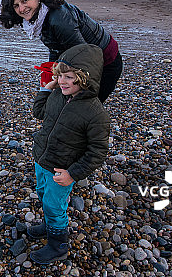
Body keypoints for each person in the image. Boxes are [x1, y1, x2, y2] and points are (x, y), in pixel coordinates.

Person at [27, 43, 110, 264]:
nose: (62, 81)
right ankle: (48, 225)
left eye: (69, 77)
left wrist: (72, 174)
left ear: (84, 78)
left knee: (55, 205)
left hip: (62, 168)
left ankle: (58, 244)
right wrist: (46, 89)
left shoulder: (95, 113)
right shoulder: (57, 95)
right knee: (43, 194)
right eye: (60, 75)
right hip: (42, 158)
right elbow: (38, 113)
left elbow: (98, 151)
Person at [0, 0, 123, 102]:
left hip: (106, 62)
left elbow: (85, 56)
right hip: (86, 58)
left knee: (87, 105)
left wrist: (83, 90)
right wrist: (53, 71)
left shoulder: (59, 19)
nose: (21, 9)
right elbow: (56, 48)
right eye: (16, 5)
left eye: (25, 0)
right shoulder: (40, 17)